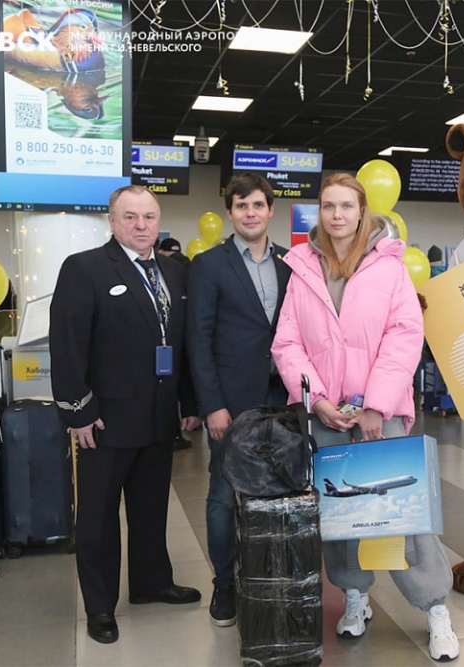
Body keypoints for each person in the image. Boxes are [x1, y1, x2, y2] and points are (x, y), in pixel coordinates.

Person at [270, 173, 460, 662]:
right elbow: (288, 343)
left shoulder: (388, 267)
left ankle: (434, 606)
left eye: (346, 206)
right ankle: (355, 595)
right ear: (319, 212)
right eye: (328, 206)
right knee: (340, 516)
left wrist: (376, 403)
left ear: (362, 212)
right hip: (327, 416)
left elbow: (404, 335)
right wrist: (316, 400)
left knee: (404, 514)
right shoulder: (303, 269)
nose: (337, 215)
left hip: (381, 413)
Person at [50, 185, 202, 645]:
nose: (141, 225)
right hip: (104, 421)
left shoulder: (174, 272)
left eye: (149, 217)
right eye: (130, 217)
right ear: (112, 222)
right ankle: (100, 605)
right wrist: (78, 411)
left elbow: (183, 344)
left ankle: (151, 583)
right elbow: (67, 345)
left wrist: (188, 403)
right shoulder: (85, 268)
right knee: (97, 518)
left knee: (151, 508)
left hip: (158, 416)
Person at [186, 172, 292, 627]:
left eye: (258, 205)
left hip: (283, 400)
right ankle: (224, 585)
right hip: (231, 402)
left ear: (271, 210)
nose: (250, 213)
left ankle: (270, 578)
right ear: (230, 212)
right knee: (225, 495)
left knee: (280, 492)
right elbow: (198, 340)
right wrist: (212, 404)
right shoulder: (209, 265)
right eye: (241, 205)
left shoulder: (290, 263)